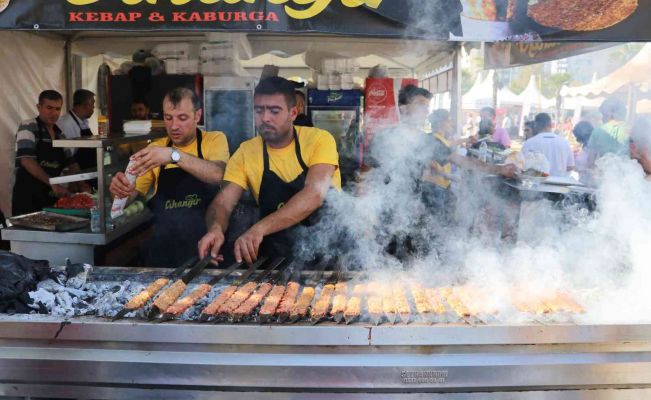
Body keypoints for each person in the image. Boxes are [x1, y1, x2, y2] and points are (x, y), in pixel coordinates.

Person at [198, 77, 341, 264]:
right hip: (276, 260)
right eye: (259, 110)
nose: (265, 118)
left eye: (274, 111)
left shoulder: (319, 140)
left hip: (325, 254)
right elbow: (222, 204)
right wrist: (215, 228)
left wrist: (259, 229)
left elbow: (314, 193)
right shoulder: (246, 152)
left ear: (293, 113)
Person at [109, 87, 229, 268]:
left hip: (206, 243)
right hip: (164, 247)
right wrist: (121, 190)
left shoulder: (213, 140)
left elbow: (218, 174)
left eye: (182, 118)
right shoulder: (154, 150)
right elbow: (128, 197)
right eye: (168, 118)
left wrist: (174, 155)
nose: (174, 126)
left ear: (197, 116)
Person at [12, 90, 84, 216]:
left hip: (51, 200)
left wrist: (80, 183)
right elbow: (27, 161)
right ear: (39, 107)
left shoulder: (59, 134)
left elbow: (71, 163)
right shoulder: (28, 126)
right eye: (49, 108)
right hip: (28, 198)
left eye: (57, 109)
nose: (54, 113)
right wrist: (53, 183)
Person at [522, 113, 575, 177]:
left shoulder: (530, 143)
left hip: (538, 183)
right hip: (559, 183)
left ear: (535, 125)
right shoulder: (564, 142)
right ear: (551, 125)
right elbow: (570, 166)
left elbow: (522, 166)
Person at [57, 89, 97, 173]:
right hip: (77, 177)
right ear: (85, 105)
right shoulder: (67, 124)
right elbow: (67, 157)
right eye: (92, 105)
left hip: (88, 172)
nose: (93, 108)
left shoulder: (83, 121)